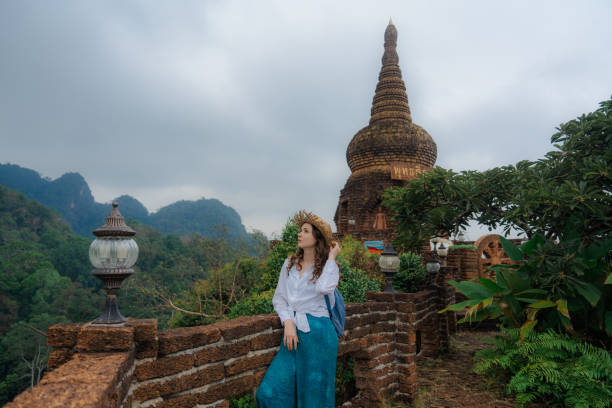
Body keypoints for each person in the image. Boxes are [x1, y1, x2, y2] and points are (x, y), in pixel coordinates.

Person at [256, 210, 341, 408]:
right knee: (269, 393)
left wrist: (332, 257)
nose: (299, 234)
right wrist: (287, 322)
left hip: (319, 335)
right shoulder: (289, 264)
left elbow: (322, 288)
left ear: (316, 237)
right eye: (300, 230)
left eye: (305, 231)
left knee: (315, 399)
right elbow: (279, 299)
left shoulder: (329, 268)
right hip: (293, 332)